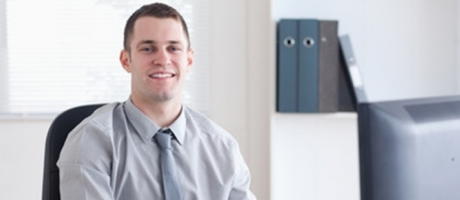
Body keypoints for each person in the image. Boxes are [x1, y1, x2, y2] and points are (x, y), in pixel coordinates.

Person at [57, 2, 256, 200]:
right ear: (126, 60)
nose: (162, 59)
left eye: (173, 48)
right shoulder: (92, 141)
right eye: (147, 49)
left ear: (189, 60)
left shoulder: (222, 147)